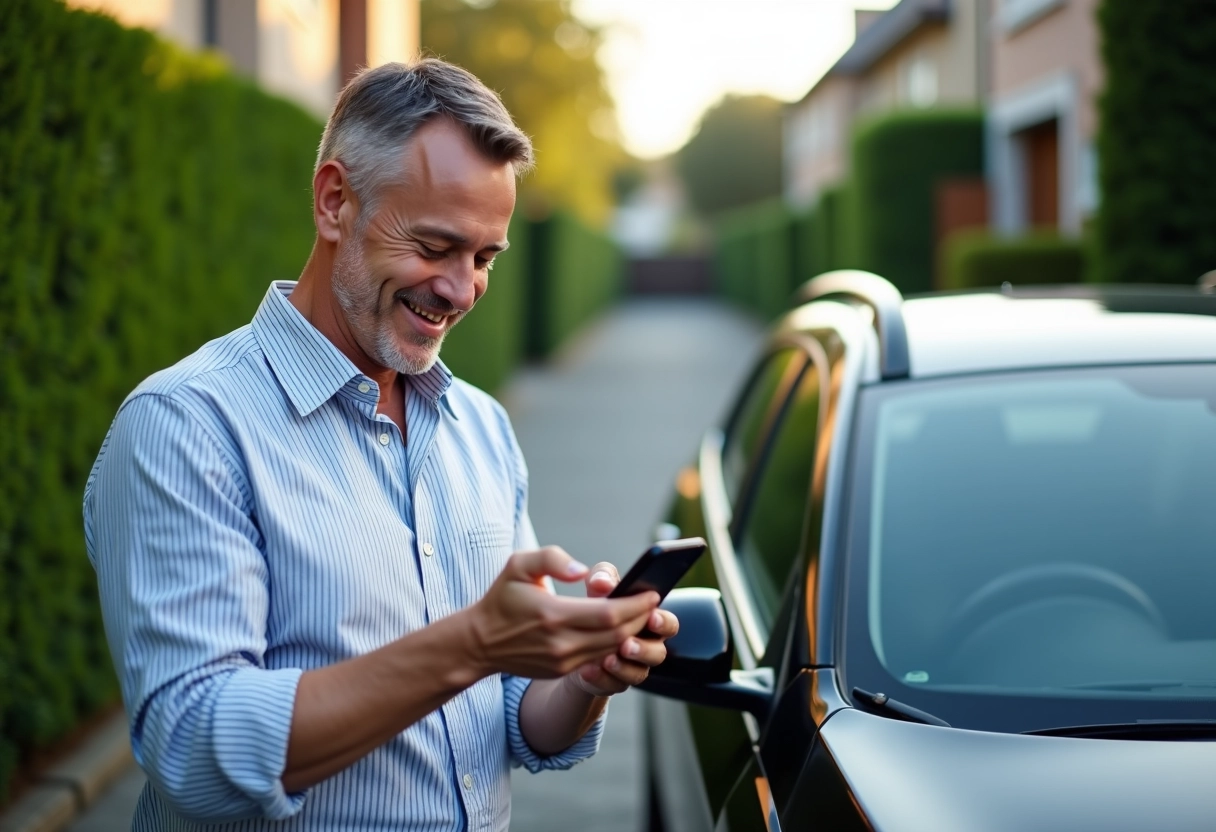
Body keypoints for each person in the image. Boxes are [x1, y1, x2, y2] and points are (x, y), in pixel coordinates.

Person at [83, 59, 678, 832]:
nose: (462, 289)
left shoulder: (483, 429)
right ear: (335, 202)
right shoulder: (187, 426)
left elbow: (510, 719)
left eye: (485, 258)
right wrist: (471, 644)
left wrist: (583, 679)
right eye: (435, 245)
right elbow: (194, 746)